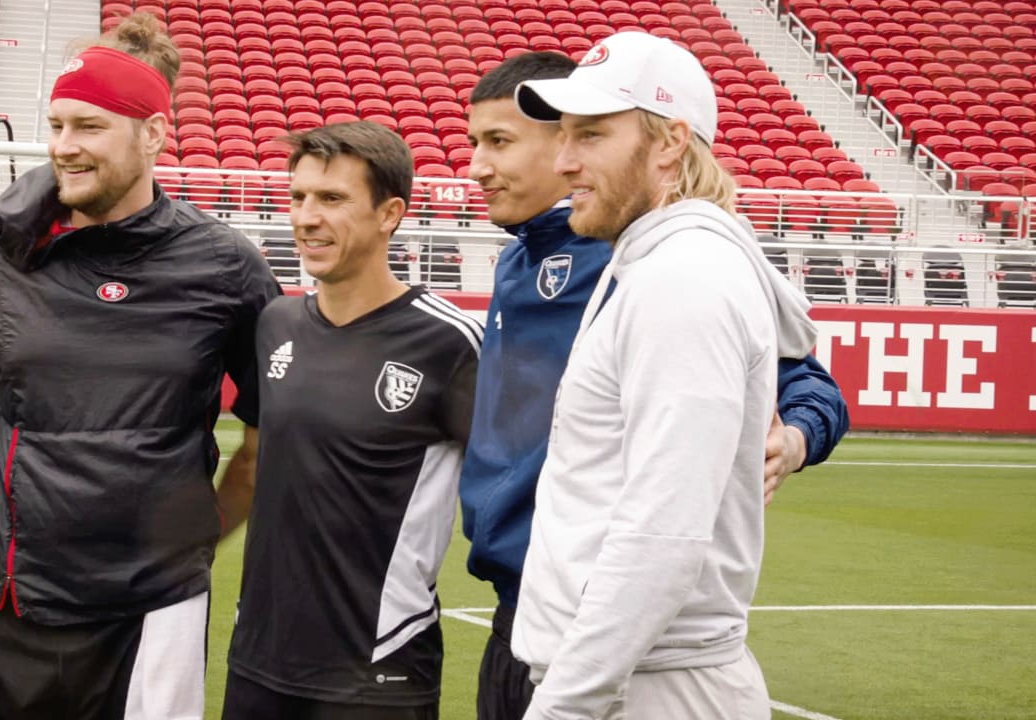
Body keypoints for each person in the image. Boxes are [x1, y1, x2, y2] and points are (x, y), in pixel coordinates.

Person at [0, 15, 280, 720]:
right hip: (2, 606)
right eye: (57, 124)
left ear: (152, 133)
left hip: (150, 614)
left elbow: (272, 432)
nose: (65, 147)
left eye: (89, 127)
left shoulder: (225, 265)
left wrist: (194, 537)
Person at [460, 50, 849, 719]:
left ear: (670, 143)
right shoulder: (612, 258)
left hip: (631, 659)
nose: (564, 161)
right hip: (549, 627)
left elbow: (661, 538)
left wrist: (795, 434)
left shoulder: (681, 275)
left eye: (589, 135)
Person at [222, 122, 482, 720]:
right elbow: (256, 460)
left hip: (380, 669)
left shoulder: (451, 343)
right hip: (258, 658)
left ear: (389, 213)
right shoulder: (276, 324)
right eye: (298, 197)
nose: (306, 217)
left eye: (332, 199)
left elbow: (527, 480)